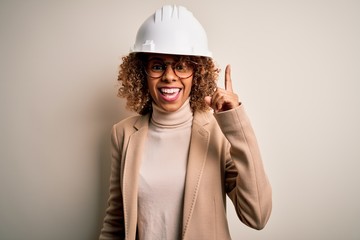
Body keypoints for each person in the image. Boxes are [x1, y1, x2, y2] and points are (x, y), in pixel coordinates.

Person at [99, 4, 272, 240]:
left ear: (197, 73)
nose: (169, 76)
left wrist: (236, 122)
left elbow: (257, 216)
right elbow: (116, 222)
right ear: (142, 74)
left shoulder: (218, 132)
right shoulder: (123, 134)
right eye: (158, 66)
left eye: (181, 66)